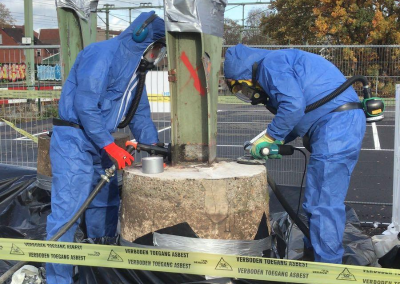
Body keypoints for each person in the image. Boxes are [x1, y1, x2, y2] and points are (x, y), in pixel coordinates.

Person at [46, 11, 166, 283]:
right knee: (69, 212)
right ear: (144, 39)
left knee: (105, 205)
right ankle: (58, 279)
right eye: (158, 48)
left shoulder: (137, 70)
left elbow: (139, 113)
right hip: (74, 140)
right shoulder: (102, 53)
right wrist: (110, 146)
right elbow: (85, 105)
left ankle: (97, 273)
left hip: (101, 141)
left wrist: (154, 147)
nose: (159, 55)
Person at [224, 44, 366, 264]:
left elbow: (293, 106)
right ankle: (316, 251)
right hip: (335, 123)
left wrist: (270, 137)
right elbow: (298, 116)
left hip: (337, 125)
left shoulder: (269, 66)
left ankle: (328, 269)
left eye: (243, 88)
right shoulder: (276, 63)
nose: (248, 94)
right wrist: (262, 141)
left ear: (246, 75)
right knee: (314, 198)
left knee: (323, 203)